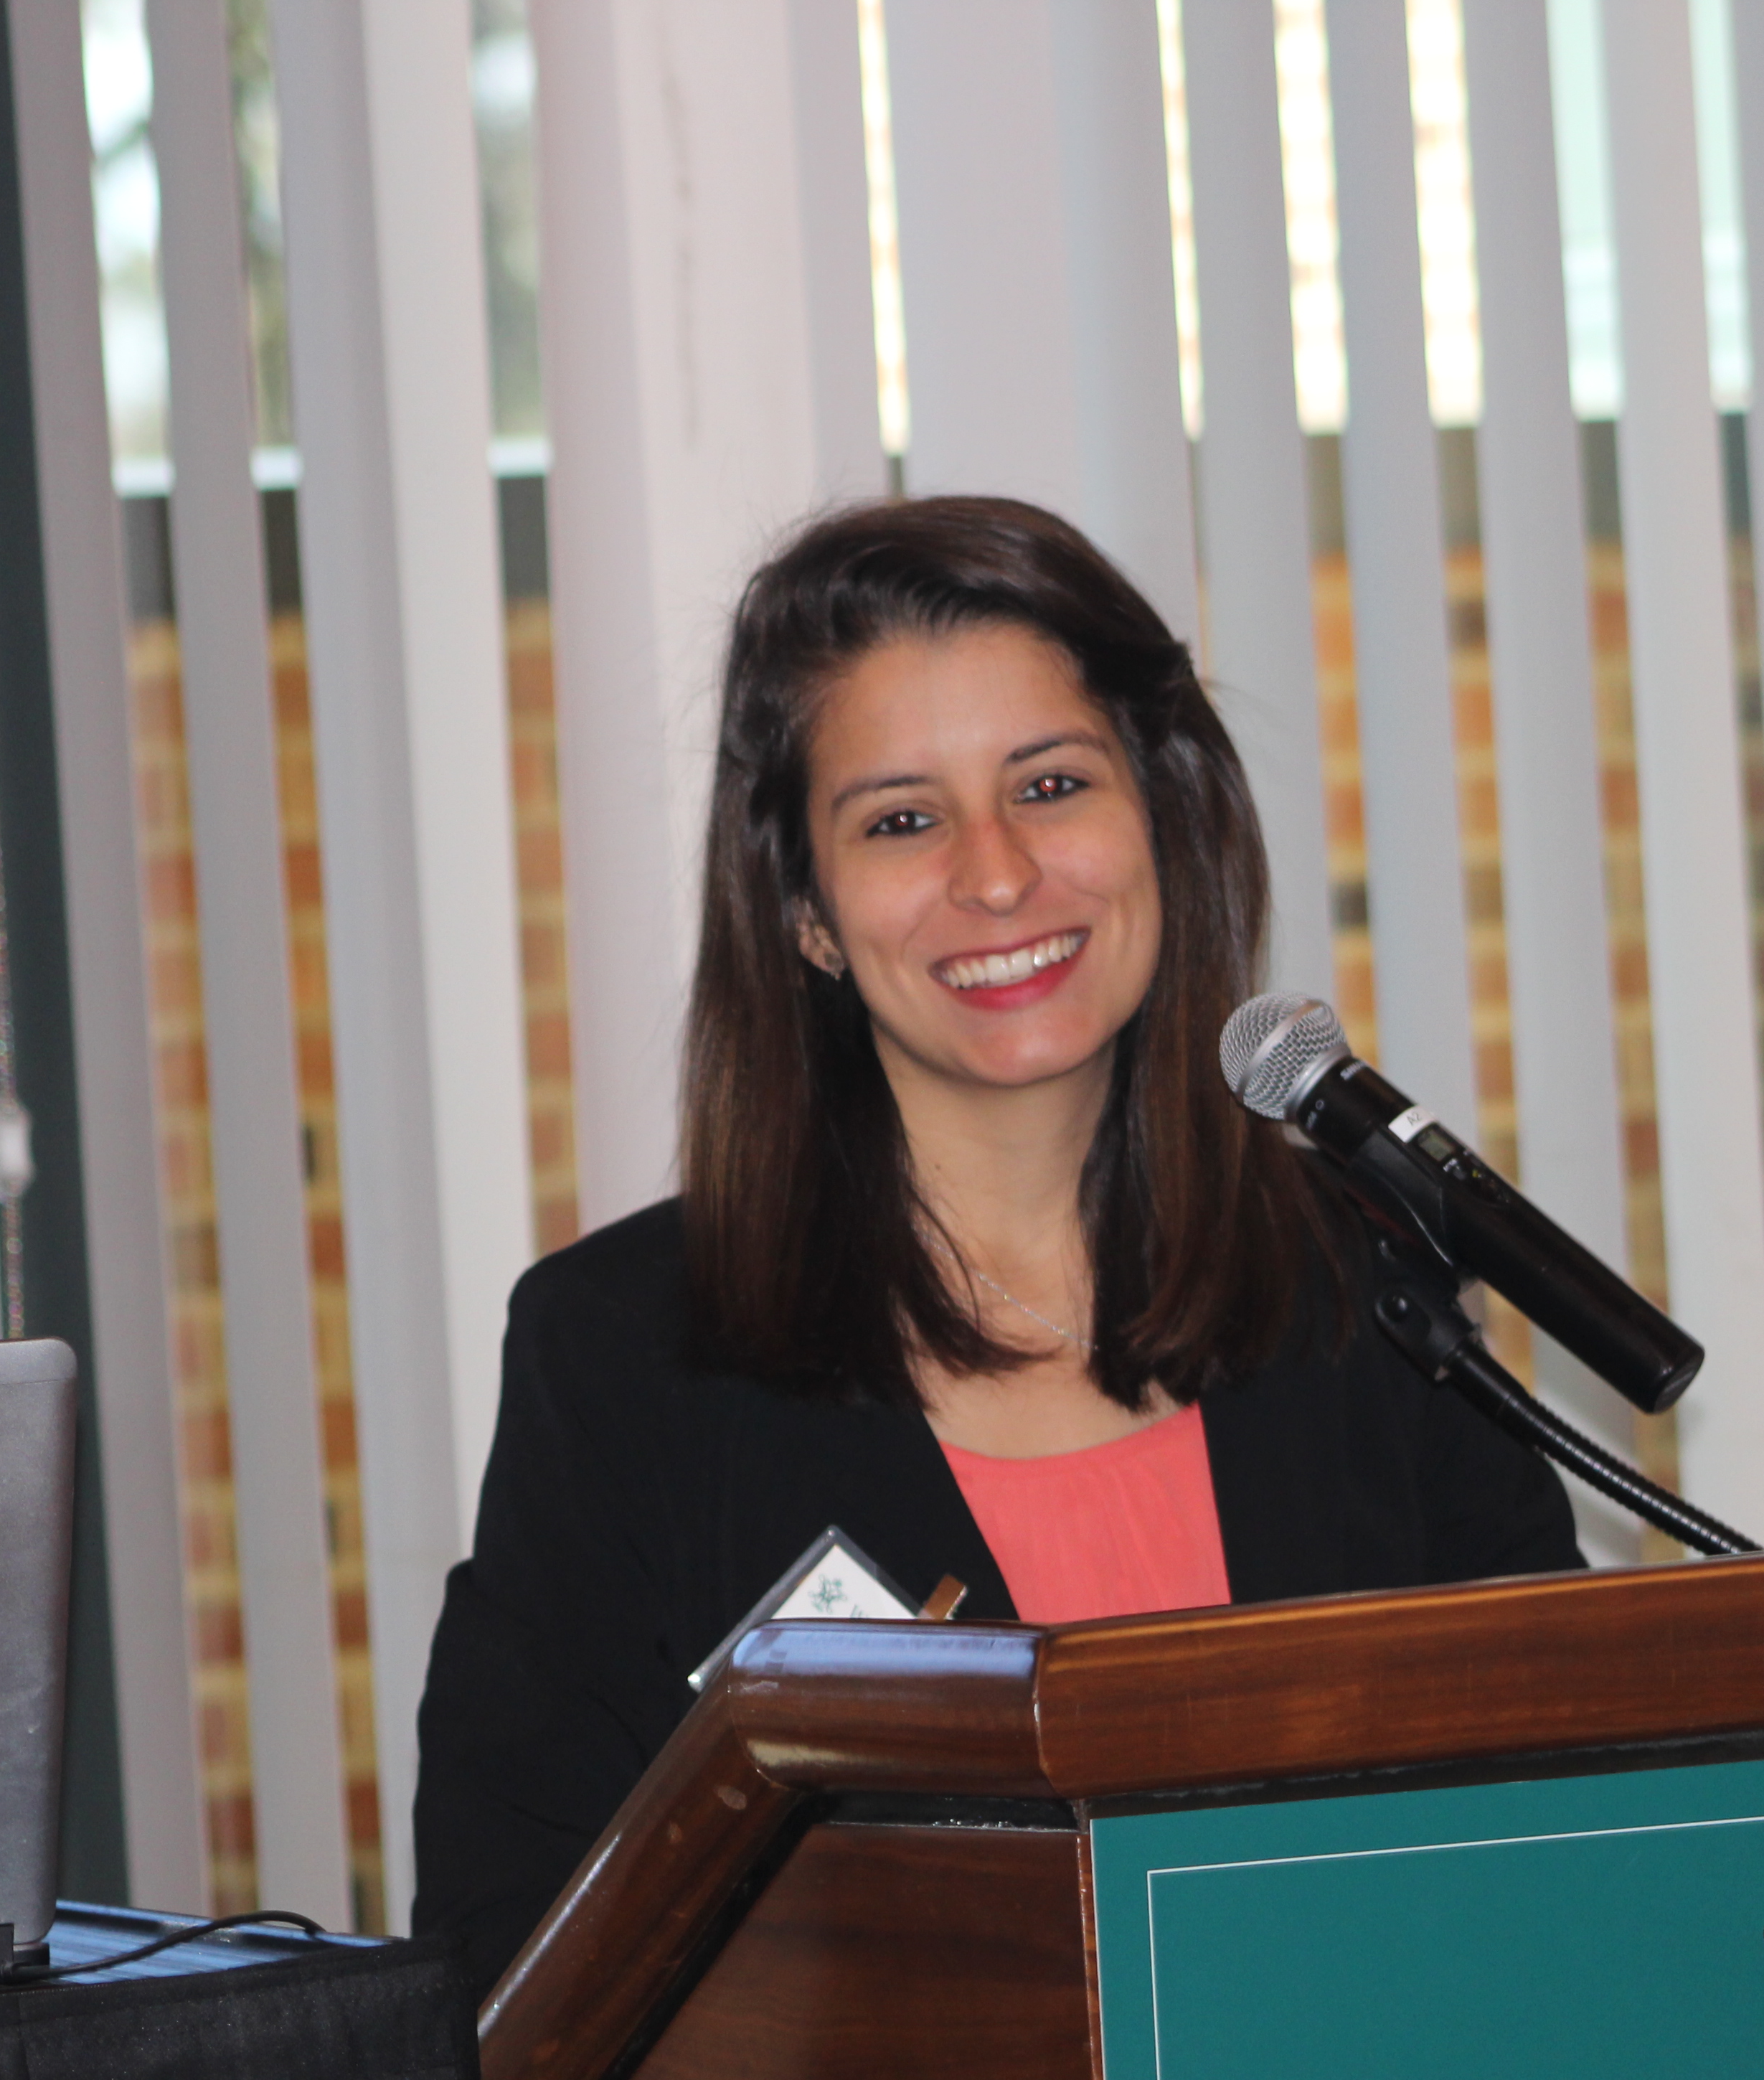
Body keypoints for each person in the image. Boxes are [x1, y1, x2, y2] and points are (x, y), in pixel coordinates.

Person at [410, 496, 1580, 1994]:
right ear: (807, 915)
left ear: (1163, 820)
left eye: (1051, 784)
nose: (998, 874)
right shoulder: (624, 1360)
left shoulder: (1358, 1282)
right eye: (902, 820)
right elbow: (515, 1972)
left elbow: (1572, 1829)